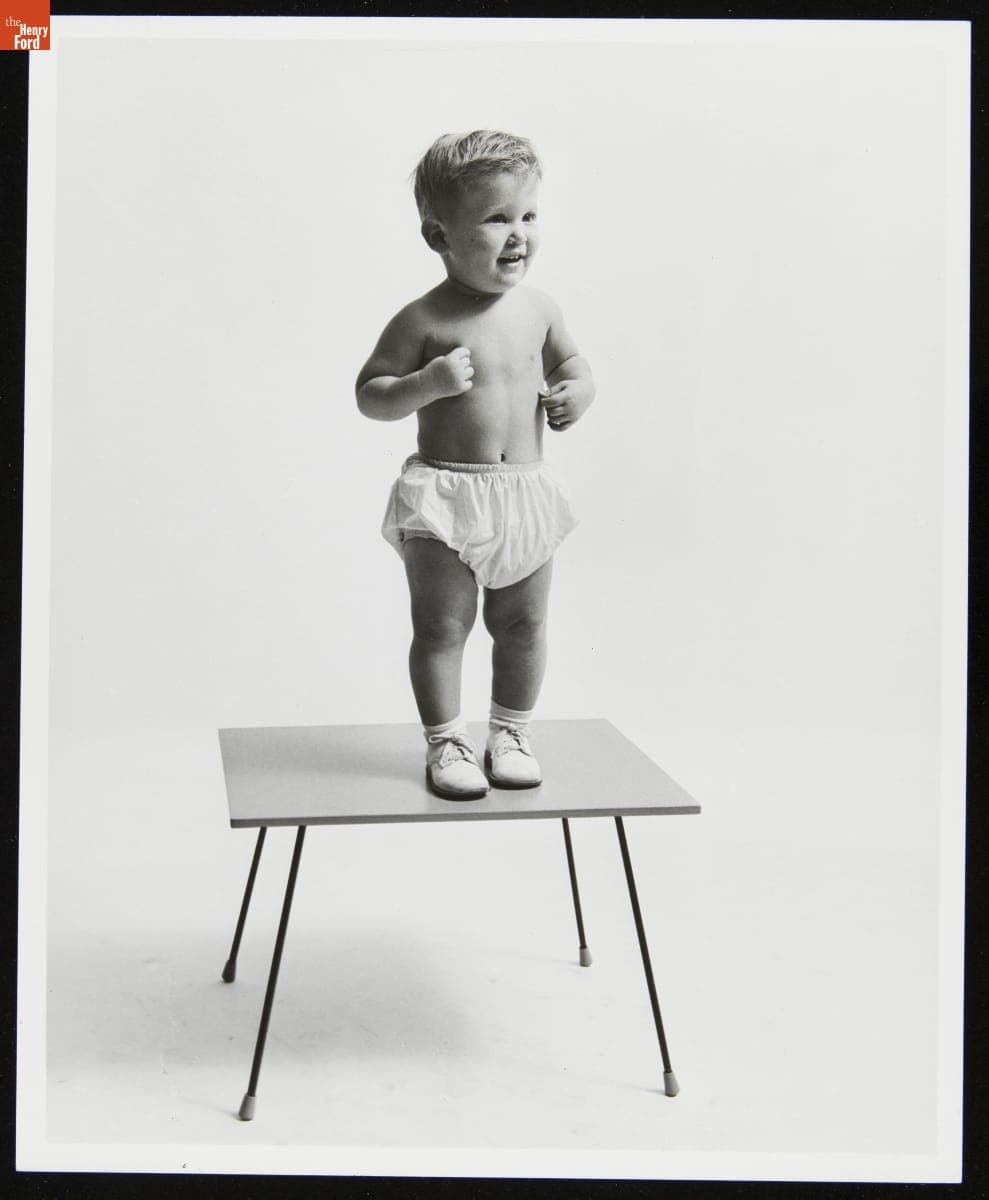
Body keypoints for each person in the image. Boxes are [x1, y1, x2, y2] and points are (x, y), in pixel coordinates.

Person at [356, 130, 594, 800]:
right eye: (495, 219)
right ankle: (446, 743)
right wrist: (423, 385)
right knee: (441, 627)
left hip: (522, 492)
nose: (518, 234)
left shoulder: (539, 309)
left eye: (527, 216)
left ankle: (510, 733)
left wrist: (578, 390)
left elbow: (573, 363)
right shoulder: (423, 319)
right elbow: (369, 395)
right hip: (445, 495)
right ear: (438, 235)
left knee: (522, 625)